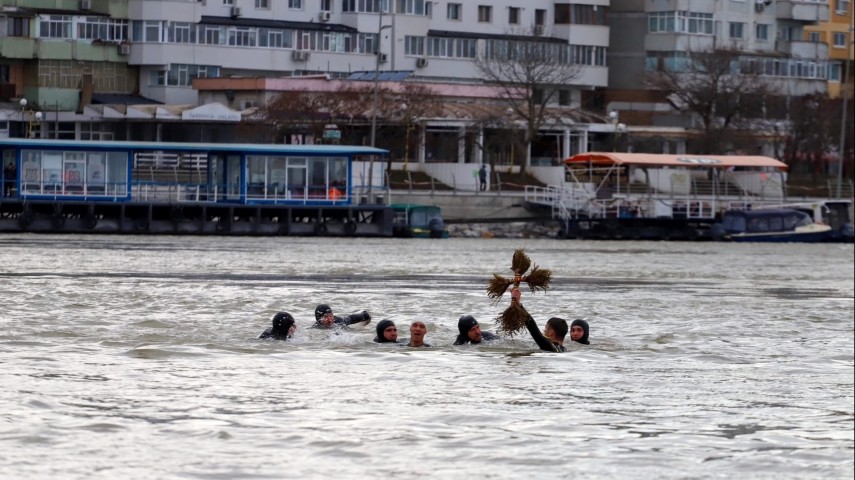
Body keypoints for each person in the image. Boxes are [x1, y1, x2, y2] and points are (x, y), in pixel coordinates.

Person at [511, 288, 567, 353]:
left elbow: (535, 332)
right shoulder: (564, 350)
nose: (544, 331)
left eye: (545, 328)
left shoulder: (550, 347)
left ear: (550, 332)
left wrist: (518, 303)